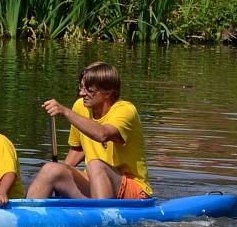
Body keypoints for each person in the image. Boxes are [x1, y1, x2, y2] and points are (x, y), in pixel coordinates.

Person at [26, 62, 153, 200]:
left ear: (108, 92)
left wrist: (65, 112)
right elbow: (78, 149)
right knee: (50, 169)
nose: (81, 93)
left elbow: (103, 134)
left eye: (89, 90)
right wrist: (60, 176)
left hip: (133, 190)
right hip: (95, 181)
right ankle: (27, 213)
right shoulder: (80, 106)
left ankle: (102, 218)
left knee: (95, 165)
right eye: (81, 87)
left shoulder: (126, 110)